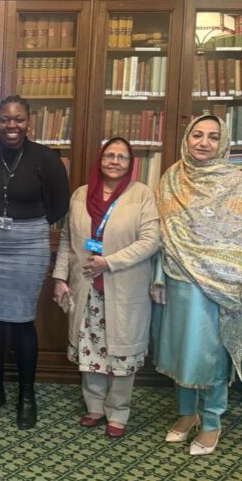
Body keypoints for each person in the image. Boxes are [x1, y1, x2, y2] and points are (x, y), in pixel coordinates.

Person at [151, 115, 242, 456]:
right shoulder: (171, 178)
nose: (204, 142)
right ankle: (187, 414)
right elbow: (161, 234)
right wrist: (158, 277)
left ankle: (212, 422)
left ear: (223, 143)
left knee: (210, 355)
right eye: (197, 135)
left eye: (213, 137)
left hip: (220, 284)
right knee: (180, 349)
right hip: (177, 278)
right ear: (187, 138)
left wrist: (228, 276)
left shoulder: (235, 183)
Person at [0, 95, 70, 429]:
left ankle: (26, 395)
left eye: (19, 119)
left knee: (22, 321)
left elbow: (59, 204)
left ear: (28, 122)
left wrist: (28, 224)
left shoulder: (46, 158)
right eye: (6, 119)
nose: (12, 125)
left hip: (28, 244)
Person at [52, 137, 159, 438]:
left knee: (122, 352)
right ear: (100, 160)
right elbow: (66, 241)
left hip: (124, 287)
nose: (115, 161)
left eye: (122, 157)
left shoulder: (142, 195)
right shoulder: (80, 196)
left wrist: (109, 262)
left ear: (130, 163)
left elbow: (151, 241)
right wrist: (60, 278)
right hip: (85, 287)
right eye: (109, 156)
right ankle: (95, 407)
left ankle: (119, 412)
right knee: (90, 349)